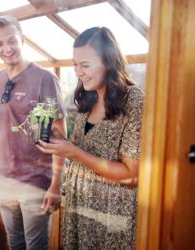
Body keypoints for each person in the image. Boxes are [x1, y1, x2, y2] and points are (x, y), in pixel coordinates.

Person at [37, 27, 144, 250]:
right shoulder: (86, 97)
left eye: (85, 65)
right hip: (79, 209)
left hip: (112, 217)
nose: (78, 72)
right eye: (75, 64)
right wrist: (61, 142)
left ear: (109, 61)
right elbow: (83, 149)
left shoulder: (134, 101)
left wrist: (74, 152)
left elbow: (131, 176)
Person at [0, 15, 66, 250]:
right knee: (15, 244)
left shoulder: (44, 79)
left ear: (22, 39)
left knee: (35, 247)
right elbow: (1, 111)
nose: (7, 48)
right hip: (4, 179)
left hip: (35, 182)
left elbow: (59, 134)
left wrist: (56, 185)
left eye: (11, 41)